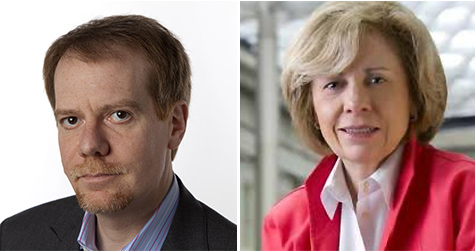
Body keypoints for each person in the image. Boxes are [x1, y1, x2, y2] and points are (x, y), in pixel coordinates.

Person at [0, 15, 236, 250]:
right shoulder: (14, 238)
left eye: (119, 115)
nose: (89, 145)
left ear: (175, 124)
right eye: (71, 120)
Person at [262, 2, 475, 250]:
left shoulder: (466, 193)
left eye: (376, 80)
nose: (355, 103)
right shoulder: (285, 222)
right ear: (312, 107)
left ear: (415, 96)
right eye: (334, 84)